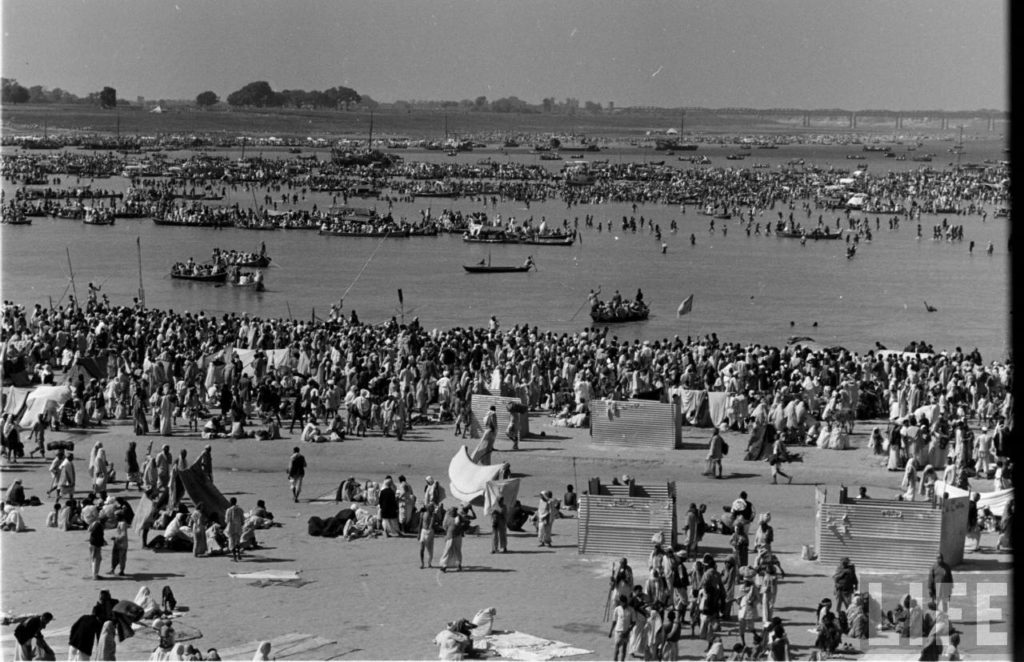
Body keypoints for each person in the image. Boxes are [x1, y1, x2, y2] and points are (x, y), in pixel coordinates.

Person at [608, 595, 634, 661]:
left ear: (625, 602)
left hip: (626, 631)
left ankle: (622, 660)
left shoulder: (631, 610)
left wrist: (628, 631)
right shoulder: (617, 609)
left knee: (624, 648)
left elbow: (633, 622)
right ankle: (615, 660)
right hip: (618, 631)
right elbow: (614, 621)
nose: (620, 603)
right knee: (617, 647)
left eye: (621, 602)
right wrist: (611, 631)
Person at [438, 506, 463, 573]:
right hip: (450, 536)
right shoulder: (448, 517)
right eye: (452, 511)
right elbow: (444, 526)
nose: (453, 512)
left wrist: (459, 525)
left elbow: (463, 525)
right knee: (447, 551)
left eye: (454, 511)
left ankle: (458, 565)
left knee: (457, 551)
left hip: (456, 536)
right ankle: (444, 565)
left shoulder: (458, 517)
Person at [224, 497, 245, 562]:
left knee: (231, 542)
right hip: (238, 527)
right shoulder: (240, 509)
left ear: (230, 502)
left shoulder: (229, 510)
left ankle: (234, 557)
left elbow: (227, 520)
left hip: (231, 528)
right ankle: (238, 554)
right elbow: (243, 519)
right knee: (237, 541)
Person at [87, 514, 106, 580]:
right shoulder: (98, 525)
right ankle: (95, 575)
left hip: (93, 544)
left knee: (96, 559)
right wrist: (100, 541)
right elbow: (96, 534)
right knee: (96, 560)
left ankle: (95, 574)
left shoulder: (95, 523)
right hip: (95, 545)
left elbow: (89, 530)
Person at [418, 502, 437, 568]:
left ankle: (429, 563)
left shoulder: (433, 515)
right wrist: (419, 533)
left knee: (430, 549)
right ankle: (422, 563)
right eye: (431, 507)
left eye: (432, 507)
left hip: (430, 532)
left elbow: (433, 524)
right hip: (423, 531)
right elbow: (420, 524)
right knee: (421, 549)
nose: (432, 508)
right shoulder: (422, 514)